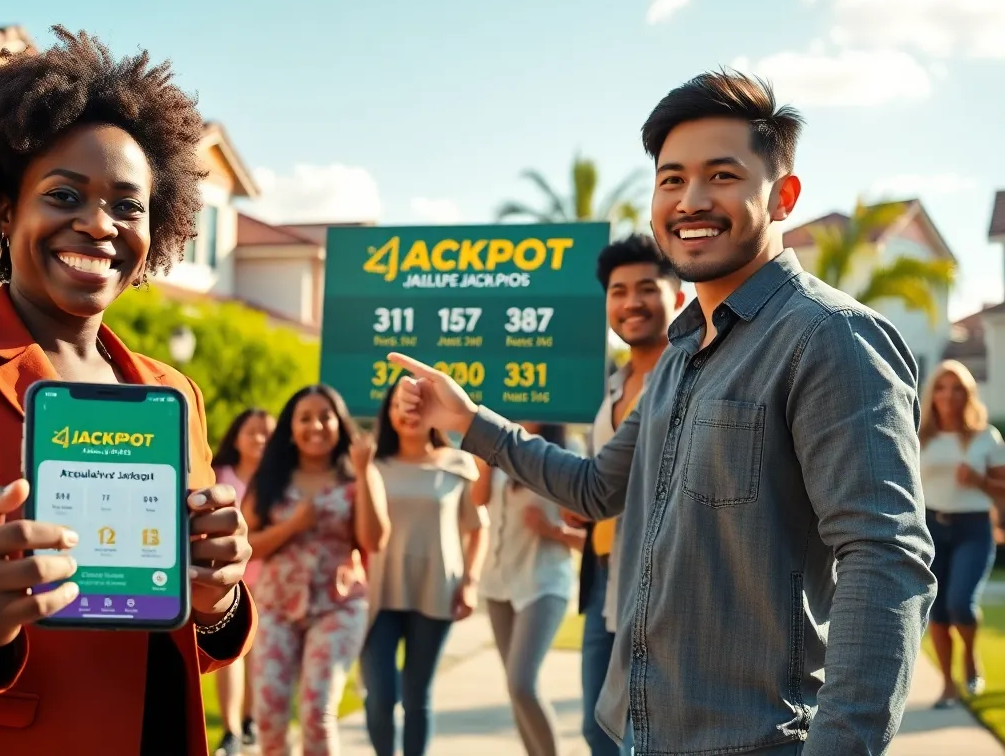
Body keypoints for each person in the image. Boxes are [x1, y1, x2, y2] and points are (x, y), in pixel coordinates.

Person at [387, 68, 936, 755]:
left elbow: (885, 557)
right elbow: (595, 488)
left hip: (757, 740)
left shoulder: (830, 339)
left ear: (784, 194)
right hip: (639, 731)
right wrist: (469, 422)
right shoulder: (678, 357)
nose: (691, 200)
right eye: (671, 179)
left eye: (723, 176)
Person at [0, 27, 254, 756]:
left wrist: (218, 601)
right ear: (6, 213)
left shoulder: (171, 395)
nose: (99, 224)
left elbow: (181, 643)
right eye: (64, 194)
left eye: (128, 205)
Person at [563, 233, 682, 756]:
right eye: (618, 291)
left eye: (646, 288)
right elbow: (608, 479)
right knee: (599, 728)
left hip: (657, 577)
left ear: (676, 294)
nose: (631, 302)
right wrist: (584, 504)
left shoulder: (684, 376)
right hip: (603, 573)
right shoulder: (611, 387)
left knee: (645, 732)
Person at [242, 384, 390, 756]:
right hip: (276, 607)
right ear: (290, 429)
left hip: (338, 607)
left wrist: (365, 471)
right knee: (269, 715)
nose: (316, 426)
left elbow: (375, 540)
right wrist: (293, 525)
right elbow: (246, 546)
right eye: (304, 418)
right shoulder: (270, 480)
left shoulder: (357, 478)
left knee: (316, 712)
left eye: (325, 416)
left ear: (339, 423)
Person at [359, 377, 488, 756]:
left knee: (417, 697)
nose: (410, 413)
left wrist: (471, 582)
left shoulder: (459, 464)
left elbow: (478, 530)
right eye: (402, 404)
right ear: (390, 412)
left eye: (419, 405)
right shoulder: (370, 466)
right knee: (381, 695)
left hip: (437, 590)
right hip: (377, 594)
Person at [476, 422, 584, 756]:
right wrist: (483, 445)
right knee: (515, 690)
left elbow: (587, 529)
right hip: (498, 584)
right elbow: (478, 498)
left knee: (522, 684)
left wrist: (553, 530)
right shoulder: (497, 441)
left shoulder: (568, 449)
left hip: (544, 582)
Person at [920, 360, 1005, 708]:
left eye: (957, 388)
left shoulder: (986, 436)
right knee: (937, 610)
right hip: (928, 528)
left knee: (960, 603)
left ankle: (970, 657)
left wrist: (979, 481)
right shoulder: (918, 434)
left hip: (973, 527)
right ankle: (948, 685)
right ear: (933, 393)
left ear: (968, 394)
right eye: (941, 387)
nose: (949, 395)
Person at [211, 408, 276, 755]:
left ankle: (250, 718)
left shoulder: (280, 480)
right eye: (253, 431)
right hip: (229, 582)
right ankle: (231, 730)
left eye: (268, 433)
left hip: (269, 582)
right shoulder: (217, 475)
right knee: (232, 655)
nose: (260, 439)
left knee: (258, 656)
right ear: (237, 437)